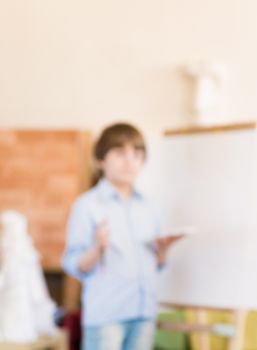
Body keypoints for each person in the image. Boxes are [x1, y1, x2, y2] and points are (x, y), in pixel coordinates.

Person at [62, 123, 179, 350]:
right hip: (107, 315)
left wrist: (163, 253)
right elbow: (71, 263)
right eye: (120, 153)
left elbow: (156, 265)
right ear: (101, 160)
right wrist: (97, 249)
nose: (130, 161)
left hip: (144, 313)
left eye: (137, 154)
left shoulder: (150, 207)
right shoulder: (87, 205)